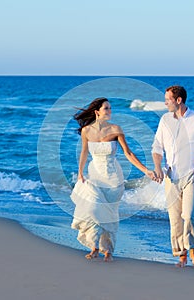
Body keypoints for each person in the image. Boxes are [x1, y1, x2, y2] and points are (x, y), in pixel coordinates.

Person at [71, 97, 155, 262]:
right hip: (95, 175)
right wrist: (80, 172)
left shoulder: (116, 129)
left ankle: (108, 250)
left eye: (110, 108)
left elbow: (128, 153)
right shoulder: (87, 131)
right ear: (97, 112)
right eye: (106, 109)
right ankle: (94, 247)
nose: (110, 111)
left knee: (109, 214)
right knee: (93, 209)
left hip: (113, 178)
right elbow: (84, 152)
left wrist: (146, 170)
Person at [151, 85, 194, 268]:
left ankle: (192, 248)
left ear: (179, 100)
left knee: (189, 215)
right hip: (171, 176)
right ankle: (181, 255)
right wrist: (157, 167)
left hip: (191, 175)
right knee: (175, 218)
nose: (165, 102)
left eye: (167, 99)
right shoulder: (165, 120)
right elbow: (157, 148)